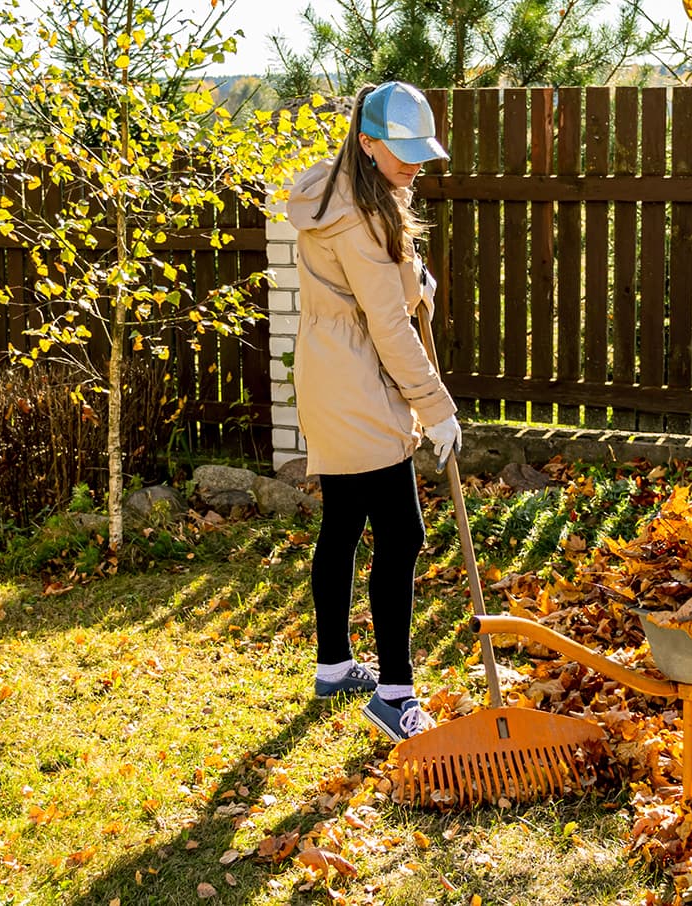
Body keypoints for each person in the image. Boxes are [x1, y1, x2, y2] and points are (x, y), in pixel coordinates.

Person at [285, 81, 461, 743]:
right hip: (358, 382)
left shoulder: (346, 191)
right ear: (366, 142)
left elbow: (378, 288)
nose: (414, 162)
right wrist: (435, 407)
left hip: (332, 372)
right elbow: (388, 326)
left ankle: (334, 667)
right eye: (402, 150)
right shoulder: (357, 215)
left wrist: (412, 280)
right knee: (402, 535)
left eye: (421, 150)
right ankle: (394, 694)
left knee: (344, 523)